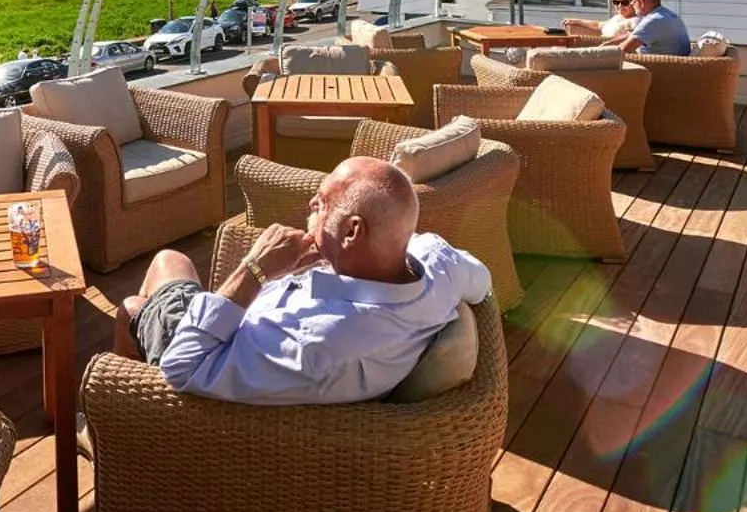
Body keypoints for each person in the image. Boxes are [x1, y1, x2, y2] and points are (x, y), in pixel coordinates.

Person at [114, 158, 490, 404]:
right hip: (252, 327)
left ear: (352, 231)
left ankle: (120, 420)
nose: (311, 204)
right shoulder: (438, 264)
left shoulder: (314, 343)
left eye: (322, 201)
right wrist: (320, 267)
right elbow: (482, 282)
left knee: (143, 293)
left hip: (204, 354)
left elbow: (184, 366)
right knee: (157, 288)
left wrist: (254, 269)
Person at [619, 0, 692, 56]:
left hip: (654, 66)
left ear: (640, 2)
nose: (631, 4)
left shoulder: (653, 20)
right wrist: (607, 43)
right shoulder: (671, 16)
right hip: (676, 65)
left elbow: (623, 49)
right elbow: (632, 36)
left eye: (631, 0)